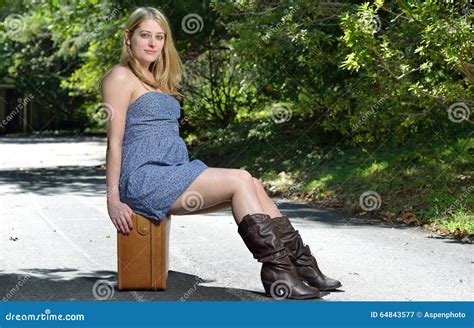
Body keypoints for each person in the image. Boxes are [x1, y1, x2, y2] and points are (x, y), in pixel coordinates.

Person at [101, 6, 341, 300]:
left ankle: (303, 266)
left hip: (173, 172)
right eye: (145, 35)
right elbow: (114, 142)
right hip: (146, 179)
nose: (152, 43)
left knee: (252, 183)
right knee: (240, 179)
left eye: (159, 37)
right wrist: (113, 198)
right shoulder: (120, 77)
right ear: (129, 37)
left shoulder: (158, 80)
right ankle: (278, 272)